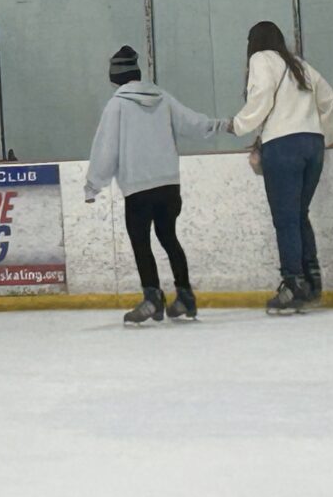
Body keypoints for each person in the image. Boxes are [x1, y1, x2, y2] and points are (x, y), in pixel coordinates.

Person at [85, 46, 227, 324]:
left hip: (138, 188)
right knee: (169, 237)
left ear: (115, 77)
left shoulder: (117, 105)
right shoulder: (162, 97)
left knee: (141, 242)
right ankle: (185, 295)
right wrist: (221, 125)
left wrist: (94, 184)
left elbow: (106, 148)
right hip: (168, 185)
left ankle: (152, 298)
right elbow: (192, 122)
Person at [229, 21, 333, 314]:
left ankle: (292, 284)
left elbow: (262, 94)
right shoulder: (299, 65)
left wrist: (239, 124)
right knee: (299, 214)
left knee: (285, 218)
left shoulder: (260, 59)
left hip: (283, 147)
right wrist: (325, 136)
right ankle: (312, 280)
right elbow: (327, 98)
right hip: (312, 145)